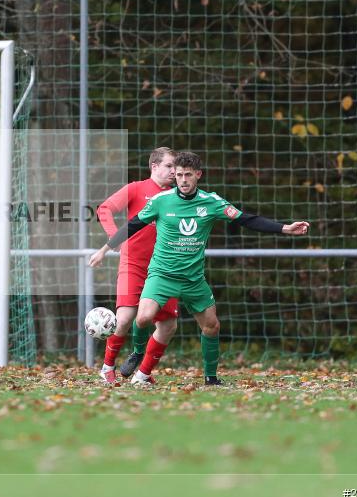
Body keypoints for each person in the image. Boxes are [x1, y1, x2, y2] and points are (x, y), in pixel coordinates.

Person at [99, 151, 309, 386]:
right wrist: (106, 248)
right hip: (162, 274)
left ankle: (210, 377)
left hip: (193, 279)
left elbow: (246, 219)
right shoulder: (161, 201)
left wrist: (284, 228)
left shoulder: (212, 202)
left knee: (211, 326)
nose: (183, 180)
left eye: (188, 175)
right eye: (179, 175)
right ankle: (138, 352)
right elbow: (133, 225)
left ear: (198, 174)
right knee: (143, 317)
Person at [89, 147, 179, 384]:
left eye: (176, 167)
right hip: (133, 263)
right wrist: (114, 238)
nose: (174, 171)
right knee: (124, 318)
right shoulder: (136, 188)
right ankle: (107, 367)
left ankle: (143, 374)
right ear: (155, 167)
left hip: (165, 268)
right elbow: (104, 209)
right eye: (169, 166)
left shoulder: (177, 196)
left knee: (168, 325)